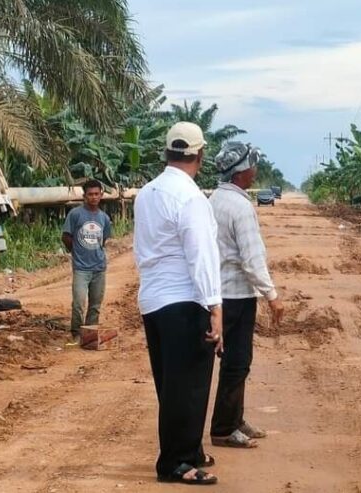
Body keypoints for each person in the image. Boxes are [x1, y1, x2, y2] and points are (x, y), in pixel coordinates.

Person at [133, 121, 223, 486]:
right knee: (189, 386)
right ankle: (177, 462)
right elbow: (201, 255)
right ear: (200, 155)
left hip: (154, 300)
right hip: (185, 300)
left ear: (166, 153)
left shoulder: (146, 193)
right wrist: (215, 307)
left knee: (171, 384)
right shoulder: (191, 198)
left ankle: (189, 449)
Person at [208, 142, 285, 449]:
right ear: (241, 171)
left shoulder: (215, 200)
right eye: (252, 165)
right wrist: (272, 295)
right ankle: (224, 428)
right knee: (237, 362)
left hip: (218, 293)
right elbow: (252, 260)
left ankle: (235, 419)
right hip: (237, 296)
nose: (255, 169)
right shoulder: (240, 208)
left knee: (233, 361)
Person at [61, 179, 113, 343]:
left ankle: (90, 335)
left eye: (96, 194)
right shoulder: (75, 214)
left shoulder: (104, 218)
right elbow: (66, 236)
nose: (94, 197)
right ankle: (76, 333)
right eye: (90, 194)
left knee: (95, 305)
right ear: (84, 196)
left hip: (99, 268)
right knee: (78, 303)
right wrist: (76, 251)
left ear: (101, 195)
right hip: (81, 268)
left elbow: (103, 240)